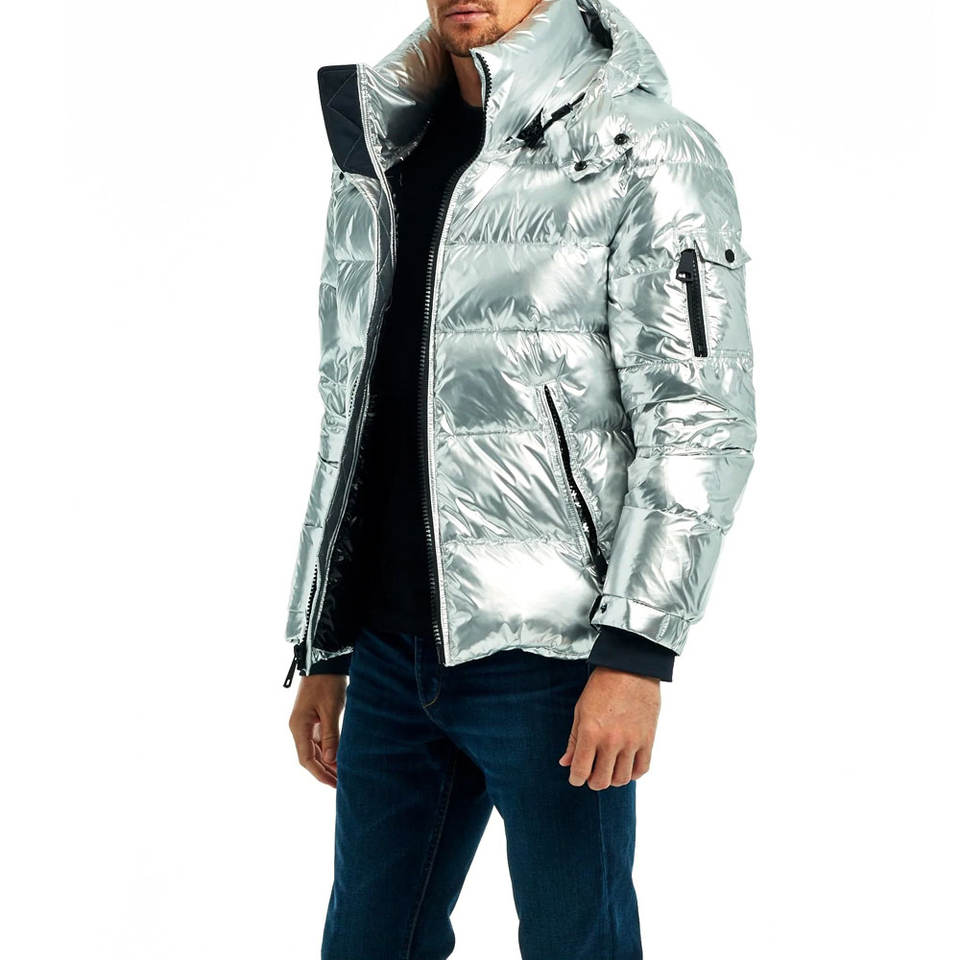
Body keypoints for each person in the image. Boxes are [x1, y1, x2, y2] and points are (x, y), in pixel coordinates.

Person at [283, 0, 756, 956]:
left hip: (553, 657)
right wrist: (324, 641)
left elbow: (698, 419)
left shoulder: (644, 149)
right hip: (387, 648)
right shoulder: (383, 148)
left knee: (577, 944)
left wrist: (636, 653)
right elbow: (353, 411)